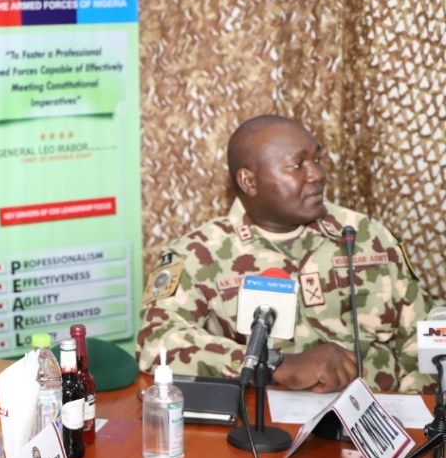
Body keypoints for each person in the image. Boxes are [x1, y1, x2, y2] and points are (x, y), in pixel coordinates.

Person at [138, 114, 432, 393]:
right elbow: (156, 342)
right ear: (249, 182)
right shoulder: (198, 254)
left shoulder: (363, 234)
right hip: (263, 420)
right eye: (298, 165)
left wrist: (416, 411)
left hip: (377, 412)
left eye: (317, 160)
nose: (317, 174)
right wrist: (271, 364)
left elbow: (424, 336)